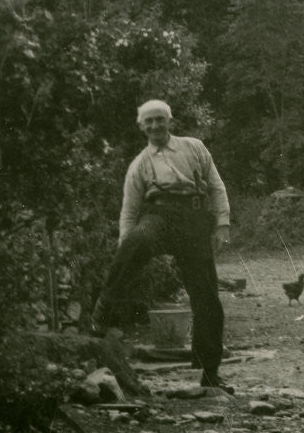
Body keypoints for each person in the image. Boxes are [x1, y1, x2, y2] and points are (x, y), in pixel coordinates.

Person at [89, 99, 233, 390]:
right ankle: (105, 306)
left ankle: (210, 372)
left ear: (170, 121)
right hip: (159, 217)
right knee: (138, 238)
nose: (155, 125)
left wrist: (222, 224)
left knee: (206, 296)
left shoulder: (194, 147)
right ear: (142, 127)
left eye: (159, 119)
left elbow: (216, 185)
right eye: (149, 122)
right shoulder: (139, 164)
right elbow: (128, 211)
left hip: (194, 219)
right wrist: (124, 245)